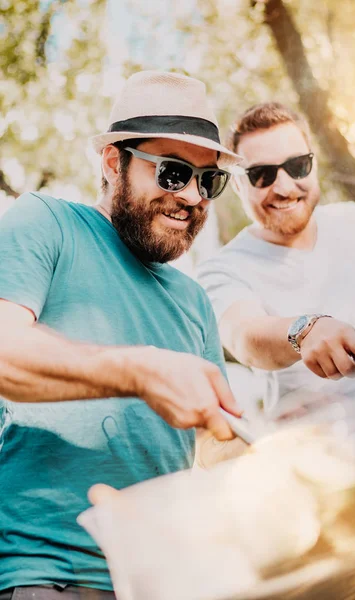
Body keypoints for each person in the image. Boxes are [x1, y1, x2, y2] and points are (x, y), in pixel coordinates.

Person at [0, 70, 243, 599]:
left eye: (209, 180)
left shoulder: (194, 301)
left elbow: (213, 444)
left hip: (165, 583)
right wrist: (139, 371)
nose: (194, 198)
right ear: (114, 162)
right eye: (175, 173)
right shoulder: (46, 223)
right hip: (51, 574)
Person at [198, 102, 355, 411]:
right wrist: (304, 331)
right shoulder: (222, 270)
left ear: (313, 165)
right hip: (321, 448)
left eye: (297, 166)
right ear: (238, 184)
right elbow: (245, 337)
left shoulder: (354, 219)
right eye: (261, 175)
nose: (284, 187)